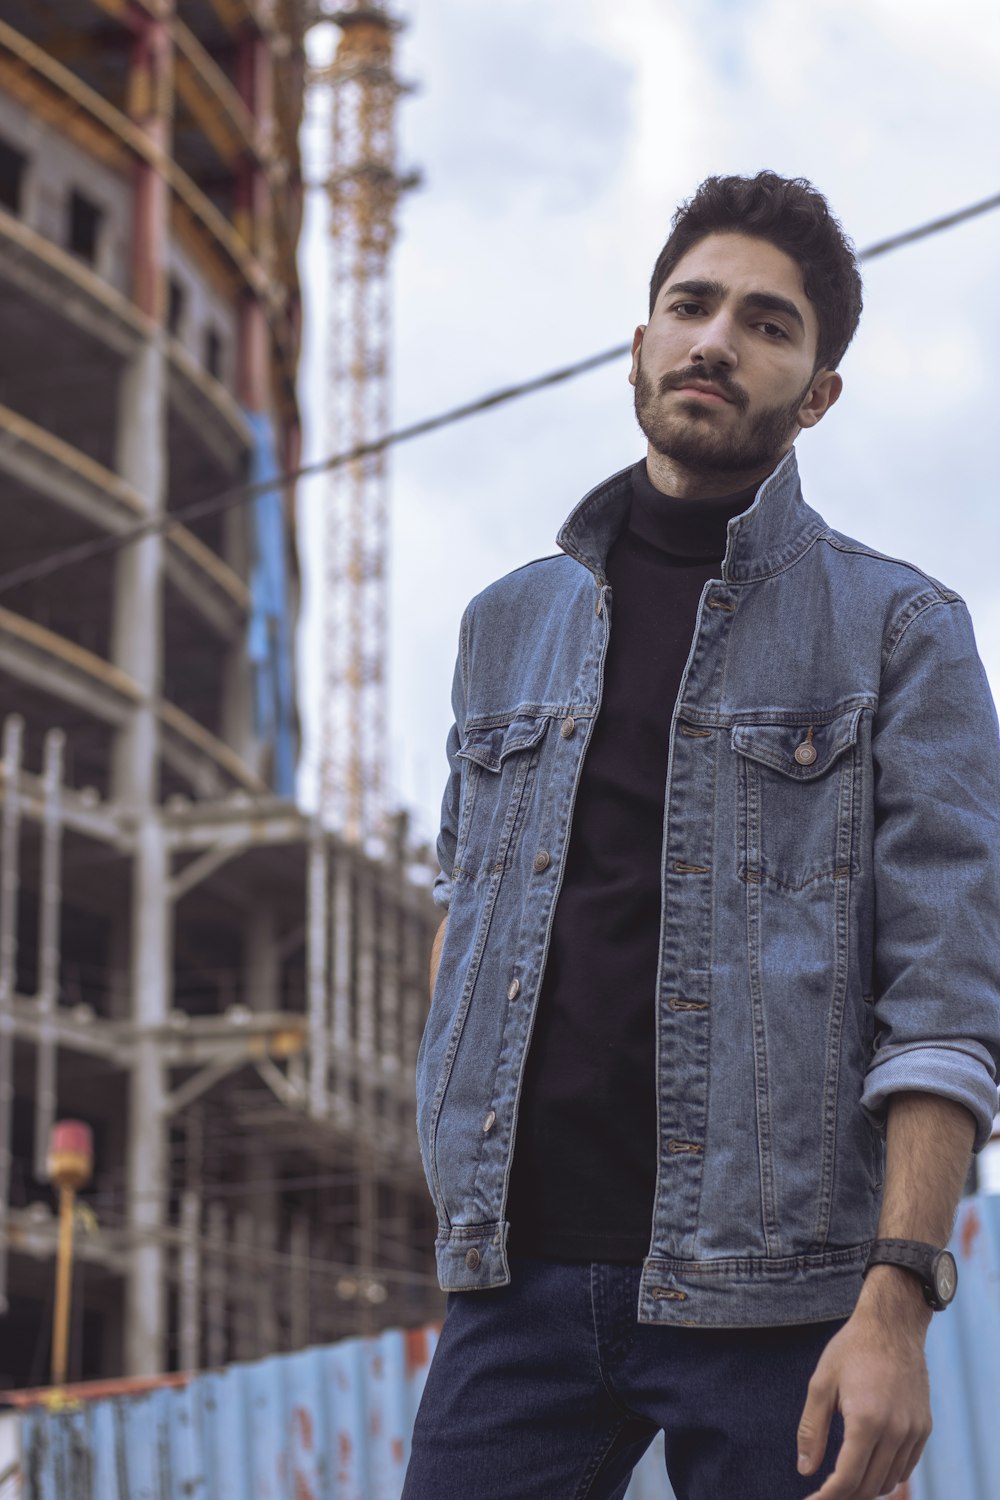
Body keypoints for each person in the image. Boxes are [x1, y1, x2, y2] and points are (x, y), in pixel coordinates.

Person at [403, 172, 1000, 1500]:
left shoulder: (901, 630)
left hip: (784, 1304)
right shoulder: (505, 628)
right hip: (517, 1291)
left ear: (818, 390)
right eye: (690, 305)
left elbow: (947, 998)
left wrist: (897, 1299)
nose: (716, 340)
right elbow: (468, 919)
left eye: (768, 324)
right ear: (639, 344)